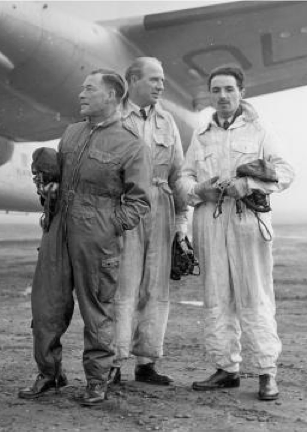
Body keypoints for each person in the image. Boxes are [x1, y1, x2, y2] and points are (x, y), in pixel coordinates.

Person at [18, 69, 152, 406]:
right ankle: (50, 374)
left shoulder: (131, 144)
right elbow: (60, 182)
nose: (81, 94)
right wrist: (49, 188)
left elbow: (139, 202)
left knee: (96, 312)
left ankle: (97, 381)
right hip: (56, 231)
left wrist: (108, 225)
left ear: (111, 96)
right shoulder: (72, 133)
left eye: (89, 89)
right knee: (46, 308)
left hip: (96, 238)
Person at [177, 66, 294, 401]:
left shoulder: (260, 130)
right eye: (216, 90)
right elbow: (183, 179)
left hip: (247, 222)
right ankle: (225, 368)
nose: (223, 96)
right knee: (216, 296)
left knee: (254, 295)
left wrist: (249, 183)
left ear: (241, 91)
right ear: (210, 94)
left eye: (229, 89)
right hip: (209, 222)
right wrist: (200, 189)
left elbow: (286, 172)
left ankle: (267, 372)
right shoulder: (201, 136)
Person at [112, 57, 189, 386]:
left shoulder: (167, 121)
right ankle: (113, 361)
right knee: (123, 286)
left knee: (156, 288)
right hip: (124, 206)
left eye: (162, 80)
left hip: (161, 206)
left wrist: (182, 223)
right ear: (133, 80)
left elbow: (178, 173)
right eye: (154, 79)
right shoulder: (112, 117)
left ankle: (147, 362)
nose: (161, 85)